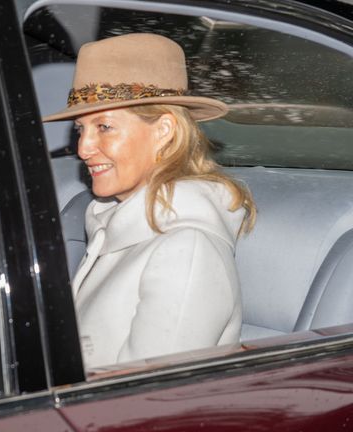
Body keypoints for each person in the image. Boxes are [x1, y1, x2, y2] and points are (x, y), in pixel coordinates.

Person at [43, 33, 256, 372]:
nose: (83, 148)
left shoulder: (187, 250)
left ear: (164, 130)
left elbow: (150, 396)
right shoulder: (112, 225)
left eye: (104, 126)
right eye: (80, 129)